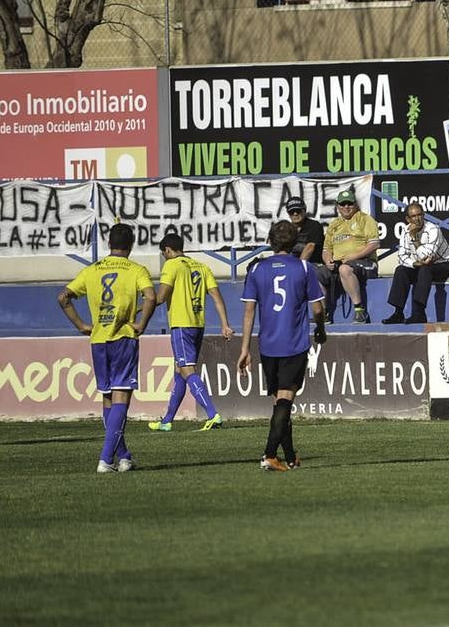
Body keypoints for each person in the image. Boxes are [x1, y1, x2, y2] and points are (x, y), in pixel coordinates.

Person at [58, 223, 156, 473]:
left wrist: (81, 324)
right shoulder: (136, 270)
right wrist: (141, 324)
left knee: (108, 398)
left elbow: (63, 297)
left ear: (109, 243)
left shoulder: (92, 270)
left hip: (99, 339)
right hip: (123, 338)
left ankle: (123, 456)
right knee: (122, 396)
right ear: (131, 244)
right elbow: (151, 296)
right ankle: (105, 459)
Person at [239, 219, 326, 471]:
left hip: (267, 345)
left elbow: (248, 312)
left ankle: (289, 456)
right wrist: (320, 328)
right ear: (294, 242)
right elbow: (317, 307)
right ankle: (268, 454)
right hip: (293, 343)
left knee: (280, 403)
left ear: (270, 241)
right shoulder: (303, 267)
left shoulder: (256, 269)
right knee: (286, 401)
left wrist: (244, 348)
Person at [149, 232, 233, 431]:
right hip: (197, 324)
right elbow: (217, 296)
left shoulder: (171, 265)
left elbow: (160, 298)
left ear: (168, 250)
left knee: (187, 370)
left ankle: (212, 414)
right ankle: (167, 421)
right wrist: (225, 324)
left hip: (181, 324)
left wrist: (136, 308)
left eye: (164, 254)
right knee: (180, 373)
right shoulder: (202, 266)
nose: (165, 258)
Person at [383, 202, 449, 324]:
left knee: (425, 269)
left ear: (424, 215)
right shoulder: (406, 231)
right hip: (422, 265)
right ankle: (398, 313)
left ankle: (419, 314)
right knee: (401, 270)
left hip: (445, 264)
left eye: (420, 215)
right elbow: (402, 256)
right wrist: (414, 264)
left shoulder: (433, 229)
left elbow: (428, 257)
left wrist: (415, 238)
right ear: (408, 219)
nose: (417, 219)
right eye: (413, 216)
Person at [320, 188, 379, 324]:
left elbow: (374, 245)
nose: (346, 207)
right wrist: (327, 260)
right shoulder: (334, 224)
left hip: (365, 263)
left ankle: (359, 311)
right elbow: (326, 249)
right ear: (338, 206)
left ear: (355, 204)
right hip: (341, 263)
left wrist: (352, 257)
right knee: (317, 274)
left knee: (344, 269)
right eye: (343, 204)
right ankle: (323, 313)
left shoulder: (365, 219)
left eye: (349, 203)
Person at [286, 196, 326, 265]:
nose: (295, 214)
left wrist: (299, 267)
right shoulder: (286, 229)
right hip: (291, 265)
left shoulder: (314, 225)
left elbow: (310, 247)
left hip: (312, 264)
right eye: (292, 212)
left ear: (304, 210)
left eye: (298, 211)